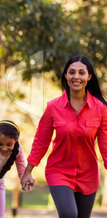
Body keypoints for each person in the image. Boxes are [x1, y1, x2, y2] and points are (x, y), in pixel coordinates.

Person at [20, 55, 107, 218]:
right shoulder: (53, 107)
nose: (76, 77)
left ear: (88, 77)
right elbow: (41, 141)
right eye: (72, 72)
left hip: (88, 175)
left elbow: (105, 146)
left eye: (81, 73)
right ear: (66, 76)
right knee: (68, 214)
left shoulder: (100, 109)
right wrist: (28, 171)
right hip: (59, 171)